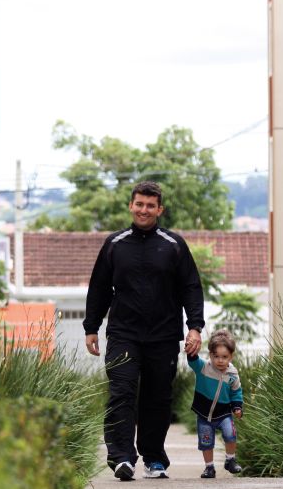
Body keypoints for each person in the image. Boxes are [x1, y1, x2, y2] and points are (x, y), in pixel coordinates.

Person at [84, 181, 205, 481]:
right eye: (139, 204)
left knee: (157, 397)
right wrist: (91, 327)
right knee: (121, 392)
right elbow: (99, 288)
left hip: (163, 336)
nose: (144, 210)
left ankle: (153, 459)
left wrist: (195, 327)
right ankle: (122, 458)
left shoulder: (174, 245)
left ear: (159, 209)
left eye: (150, 205)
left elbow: (191, 287)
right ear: (131, 206)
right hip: (123, 334)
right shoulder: (115, 244)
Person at [186, 328, 244, 479]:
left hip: (224, 413)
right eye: (216, 356)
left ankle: (230, 460)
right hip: (204, 414)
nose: (220, 360)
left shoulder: (232, 374)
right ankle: (209, 467)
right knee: (206, 442)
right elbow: (193, 361)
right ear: (210, 354)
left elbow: (236, 392)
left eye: (224, 357)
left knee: (230, 434)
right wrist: (190, 349)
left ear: (231, 356)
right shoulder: (204, 368)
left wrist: (237, 407)